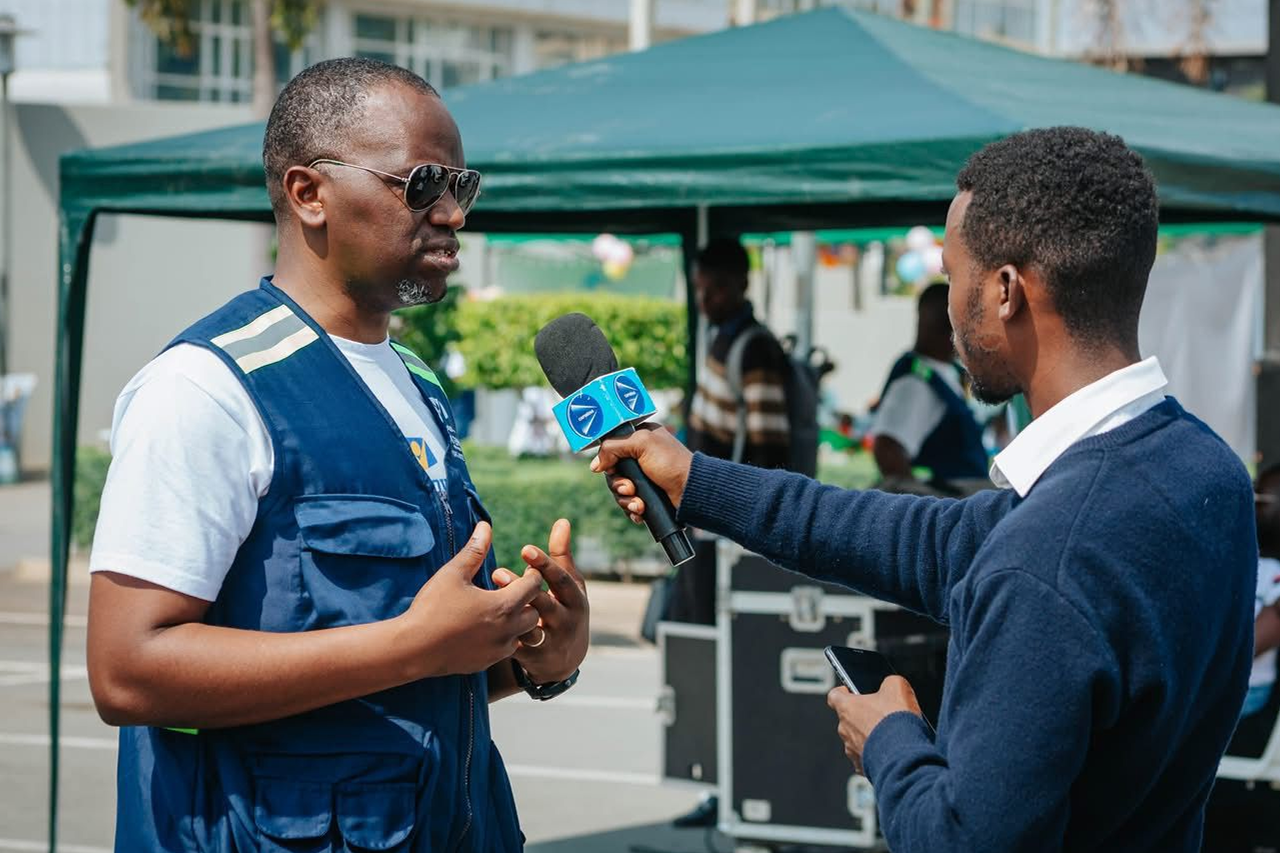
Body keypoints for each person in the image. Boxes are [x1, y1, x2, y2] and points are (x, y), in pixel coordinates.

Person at [593, 127, 1256, 852]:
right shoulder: (1208, 471)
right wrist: (696, 480)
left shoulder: (1042, 563)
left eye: (953, 276)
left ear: (1005, 291)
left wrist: (890, 740)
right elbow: (906, 536)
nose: (946, 306)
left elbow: (960, 840)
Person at [85, 58, 589, 853]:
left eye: (464, 184)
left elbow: (409, 672)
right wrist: (415, 642)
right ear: (308, 193)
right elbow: (127, 670)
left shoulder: (418, 384)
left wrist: (533, 657)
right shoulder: (207, 387)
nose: (454, 214)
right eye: (423, 184)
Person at [686, 237, 792, 469]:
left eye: (717, 288)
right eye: (699, 288)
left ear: (743, 284)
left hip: (730, 496)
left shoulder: (756, 350)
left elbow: (770, 448)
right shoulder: (722, 336)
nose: (704, 300)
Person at [871, 282, 989, 487]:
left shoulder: (943, 372)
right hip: (949, 501)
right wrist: (923, 502)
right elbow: (887, 450)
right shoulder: (915, 383)